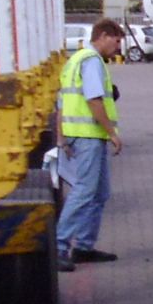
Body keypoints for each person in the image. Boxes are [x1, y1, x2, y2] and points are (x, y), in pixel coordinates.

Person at [55, 17, 124, 271]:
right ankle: (59, 246)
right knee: (84, 191)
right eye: (116, 42)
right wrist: (112, 132)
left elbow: (61, 103)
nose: (117, 49)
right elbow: (94, 100)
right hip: (89, 135)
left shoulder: (74, 61)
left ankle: (83, 247)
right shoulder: (92, 62)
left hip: (80, 134)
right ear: (103, 36)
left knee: (99, 193)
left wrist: (62, 138)